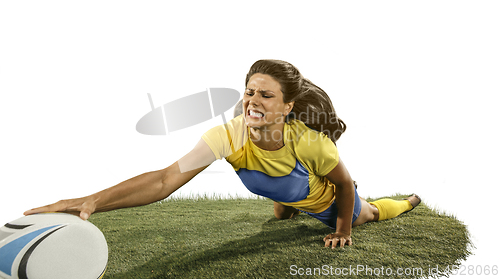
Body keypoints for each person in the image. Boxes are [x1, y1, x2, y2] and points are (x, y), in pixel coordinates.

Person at [25, 59, 420, 249]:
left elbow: (344, 184)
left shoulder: (309, 142)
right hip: (284, 189)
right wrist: (89, 201)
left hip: (327, 201)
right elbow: (164, 180)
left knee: (365, 212)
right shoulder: (228, 137)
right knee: (282, 202)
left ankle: (407, 201)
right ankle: (286, 205)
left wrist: (342, 230)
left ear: (287, 106)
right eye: (249, 91)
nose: (252, 101)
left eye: (266, 95)